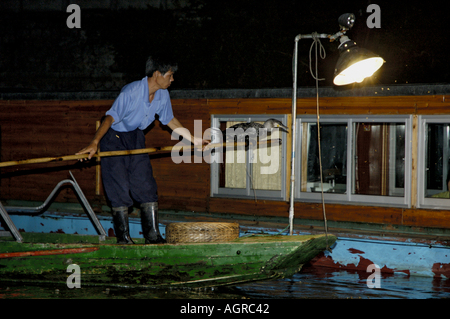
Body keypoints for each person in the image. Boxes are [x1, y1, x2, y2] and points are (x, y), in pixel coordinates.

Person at [76, 56, 207, 244]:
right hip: (113, 138)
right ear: (157, 74)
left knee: (145, 183)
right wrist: (95, 142)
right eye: (170, 75)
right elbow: (109, 118)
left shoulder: (162, 94)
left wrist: (193, 139)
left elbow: (169, 120)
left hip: (136, 137)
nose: (172, 80)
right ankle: (123, 238)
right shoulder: (131, 92)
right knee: (119, 186)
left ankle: (152, 235)